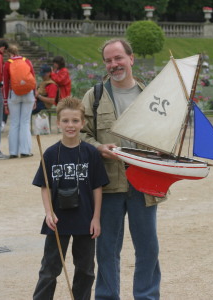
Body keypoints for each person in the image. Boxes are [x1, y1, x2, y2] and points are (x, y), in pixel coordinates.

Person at [81, 38, 164, 300]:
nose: (114, 64)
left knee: (148, 249)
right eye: (108, 60)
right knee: (106, 249)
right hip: (107, 184)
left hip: (144, 182)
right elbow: (80, 134)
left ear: (131, 58)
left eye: (118, 58)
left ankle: (147, 296)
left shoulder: (151, 95)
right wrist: (97, 147)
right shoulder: (94, 96)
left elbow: (167, 135)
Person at [32, 97, 109, 300]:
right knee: (50, 269)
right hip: (57, 221)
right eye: (65, 121)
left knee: (85, 270)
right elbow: (45, 187)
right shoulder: (49, 154)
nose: (70, 125)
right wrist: (48, 213)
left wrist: (96, 218)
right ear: (58, 122)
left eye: (75, 121)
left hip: (85, 219)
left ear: (82, 123)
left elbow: (97, 187)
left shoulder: (91, 153)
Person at [2, 45, 35, 158]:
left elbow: (5, 84)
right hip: (28, 94)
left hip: (14, 94)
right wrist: (34, 97)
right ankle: (25, 150)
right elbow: (33, 79)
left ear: (8, 53)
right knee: (25, 122)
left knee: (15, 123)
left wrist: (5, 102)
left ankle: (13, 152)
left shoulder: (7, 64)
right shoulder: (27, 61)